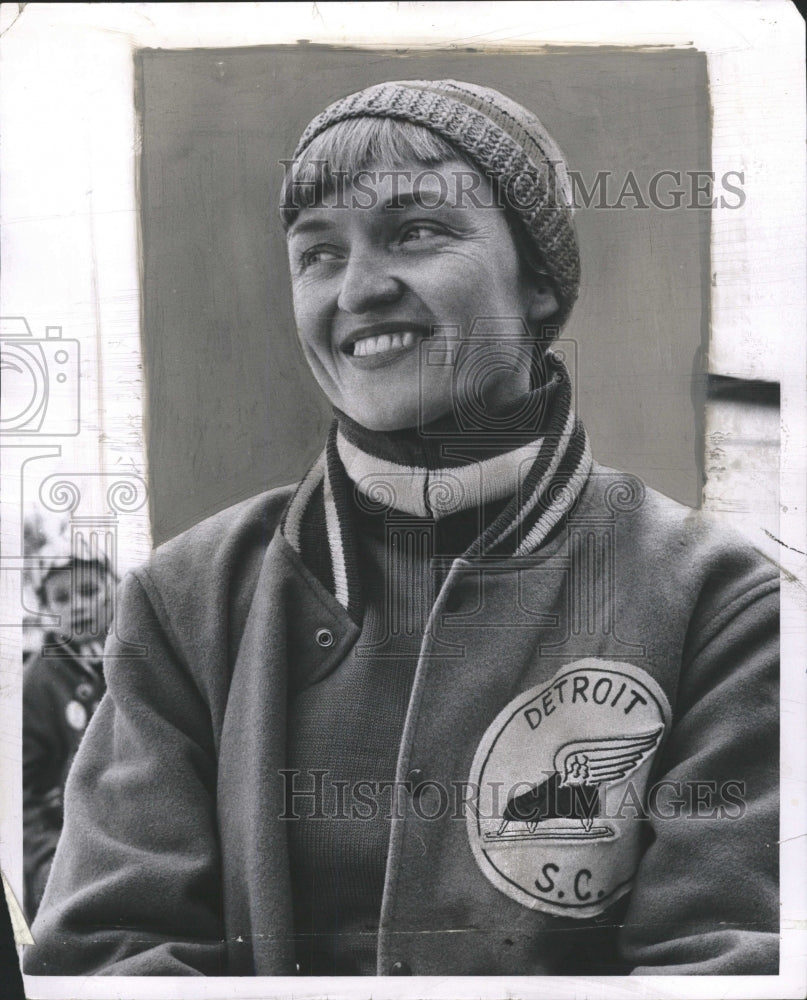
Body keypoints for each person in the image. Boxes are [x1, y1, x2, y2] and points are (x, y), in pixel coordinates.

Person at [24, 80, 778, 977]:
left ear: (537, 279)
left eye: (416, 231)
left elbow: (730, 965)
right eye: (316, 253)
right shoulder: (184, 602)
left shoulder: (720, 603)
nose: (359, 289)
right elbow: (107, 953)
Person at [22, 536, 116, 921]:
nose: (77, 605)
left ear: (113, 590)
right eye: (61, 598)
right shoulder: (38, 682)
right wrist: (45, 861)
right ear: (44, 608)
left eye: (89, 590)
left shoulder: (140, 651)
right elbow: (21, 793)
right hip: (72, 844)